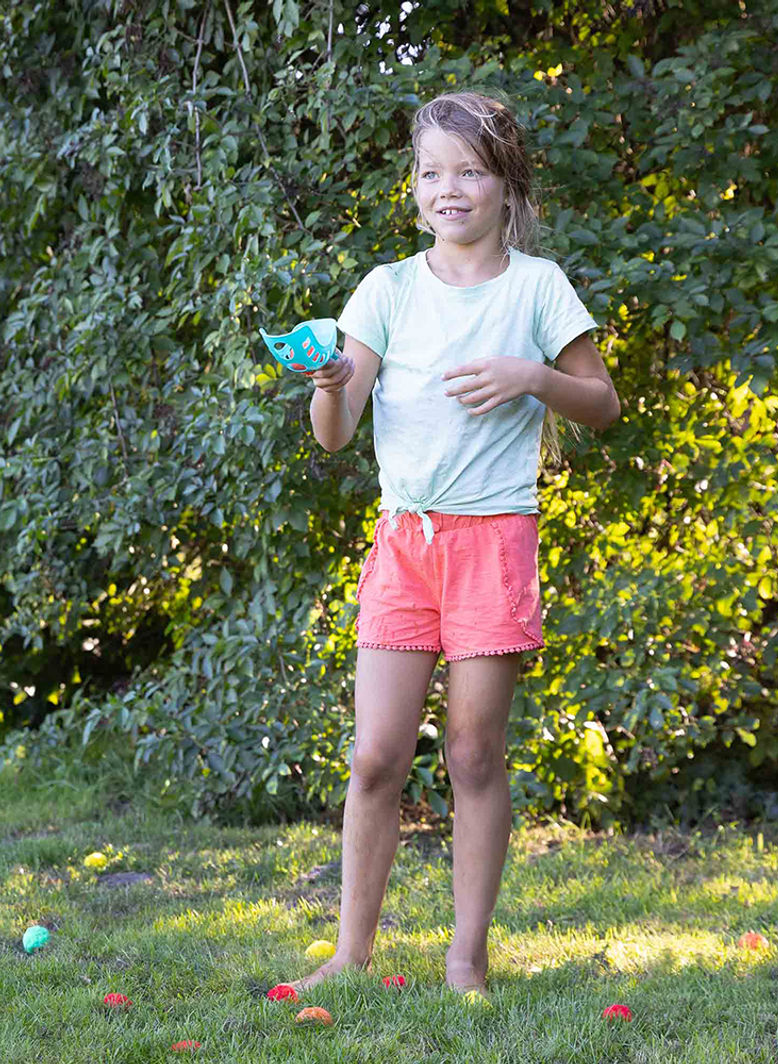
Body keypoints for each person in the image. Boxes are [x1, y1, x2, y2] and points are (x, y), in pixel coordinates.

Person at [290, 91, 621, 998]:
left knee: (473, 753)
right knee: (374, 757)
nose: (450, 188)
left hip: (494, 542)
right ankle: (350, 955)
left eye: (470, 171)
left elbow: (603, 404)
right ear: (415, 187)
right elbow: (335, 433)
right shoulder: (387, 289)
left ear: (506, 184)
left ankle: (465, 960)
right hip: (406, 543)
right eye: (432, 172)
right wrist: (328, 385)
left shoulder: (538, 287)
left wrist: (532, 376)